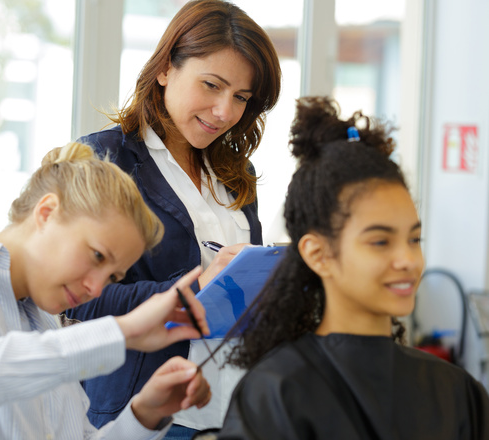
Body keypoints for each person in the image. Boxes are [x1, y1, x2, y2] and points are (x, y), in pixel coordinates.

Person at [0, 142, 212, 440]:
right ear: (46, 213)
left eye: (112, 277)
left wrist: (145, 413)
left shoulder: (45, 324)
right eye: (96, 256)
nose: (95, 288)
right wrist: (124, 331)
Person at [195, 96, 489, 439]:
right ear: (318, 254)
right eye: (380, 242)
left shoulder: (459, 393)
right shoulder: (277, 393)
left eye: (414, 240)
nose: (408, 260)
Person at [65, 0, 281, 438]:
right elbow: (78, 297)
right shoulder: (106, 159)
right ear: (165, 68)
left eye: (241, 97)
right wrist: (192, 288)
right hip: (144, 411)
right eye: (212, 85)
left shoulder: (237, 174)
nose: (225, 111)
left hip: (232, 406)